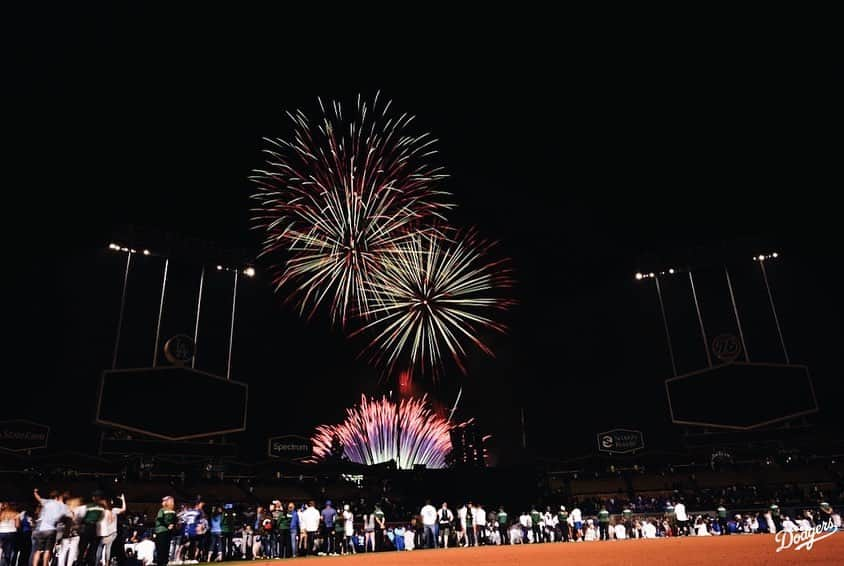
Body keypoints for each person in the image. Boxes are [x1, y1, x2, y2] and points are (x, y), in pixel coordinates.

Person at [32, 489, 69, 566]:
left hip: (41, 529)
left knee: (38, 550)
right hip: (51, 530)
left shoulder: (47, 502)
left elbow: (38, 498)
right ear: (58, 497)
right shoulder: (62, 505)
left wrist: (35, 492)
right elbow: (70, 515)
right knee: (47, 550)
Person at [98, 494, 125, 566]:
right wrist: (123, 499)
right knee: (106, 548)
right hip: (108, 533)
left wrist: (123, 499)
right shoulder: (109, 511)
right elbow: (124, 509)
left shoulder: (110, 510)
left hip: (109, 533)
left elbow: (123, 509)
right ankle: (105, 563)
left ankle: (102, 563)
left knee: (102, 548)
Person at [154, 496, 177, 566]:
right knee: (161, 548)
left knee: (167, 547)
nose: (173, 503)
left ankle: (165, 562)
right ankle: (160, 562)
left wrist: (173, 525)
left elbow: (175, 520)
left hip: (168, 531)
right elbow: (160, 519)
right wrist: (168, 526)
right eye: (171, 501)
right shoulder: (162, 510)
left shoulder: (173, 511)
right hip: (161, 531)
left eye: (173, 501)